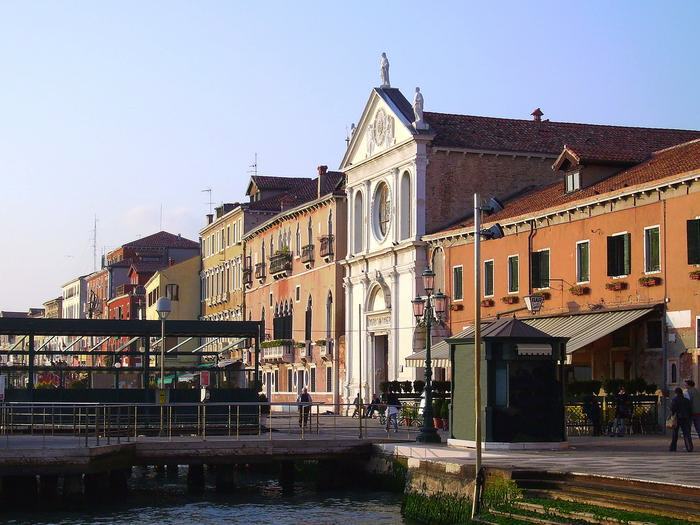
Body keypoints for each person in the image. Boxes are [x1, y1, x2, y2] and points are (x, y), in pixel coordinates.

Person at [669, 387, 694, 452]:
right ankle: (689, 447)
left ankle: (673, 448)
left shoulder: (675, 399)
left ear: (676, 393)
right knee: (687, 433)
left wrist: (671, 415)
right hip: (685, 418)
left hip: (677, 418)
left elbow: (672, 409)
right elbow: (690, 410)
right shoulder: (686, 400)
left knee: (675, 433)